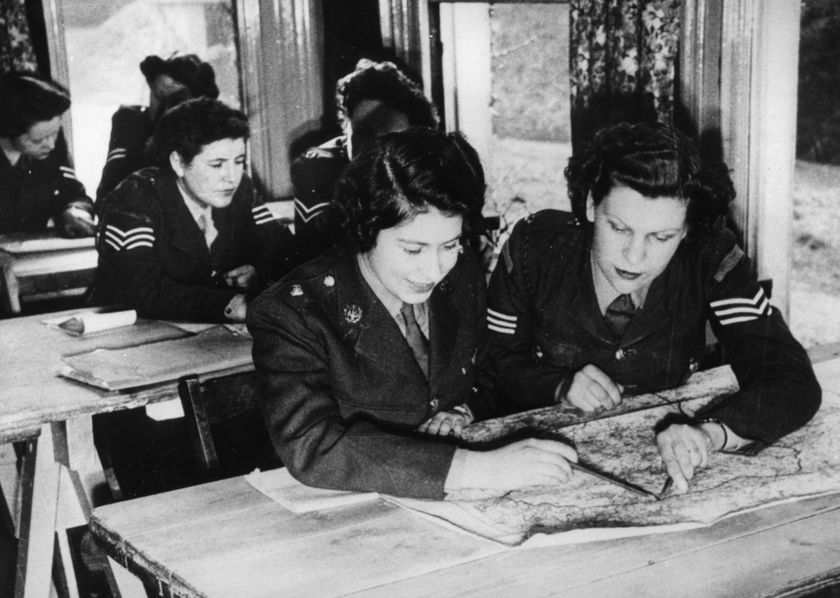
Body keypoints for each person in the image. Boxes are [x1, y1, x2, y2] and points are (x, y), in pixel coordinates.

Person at [486, 121, 821, 493]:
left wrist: (710, 434)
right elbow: (491, 365)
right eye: (619, 228)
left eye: (661, 237)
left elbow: (790, 378)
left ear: (686, 230)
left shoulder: (711, 256)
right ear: (592, 205)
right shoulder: (534, 248)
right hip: (541, 470)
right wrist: (557, 385)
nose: (634, 256)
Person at [248, 128, 578, 499]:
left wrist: (464, 411)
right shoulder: (295, 311)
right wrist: (473, 468)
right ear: (366, 230)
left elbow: (488, 372)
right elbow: (312, 446)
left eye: (449, 244)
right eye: (412, 249)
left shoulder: (461, 274)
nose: (434, 270)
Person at [93, 97, 295, 322]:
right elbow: (143, 292)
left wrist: (259, 272)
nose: (232, 177)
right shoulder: (134, 200)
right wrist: (232, 304)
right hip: (118, 332)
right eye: (217, 164)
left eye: (239, 161)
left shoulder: (241, 191)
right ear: (178, 163)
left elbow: (283, 251)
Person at [291, 59, 439, 264]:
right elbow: (322, 253)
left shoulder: (424, 163)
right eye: (363, 134)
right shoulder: (315, 167)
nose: (373, 149)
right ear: (346, 127)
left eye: (388, 138)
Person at [96, 54, 220, 204]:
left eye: (176, 101)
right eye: (157, 96)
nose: (164, 109)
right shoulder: (131, 125)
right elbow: (108, 196)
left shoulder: (216, 132)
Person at [0, 71, 95, 236]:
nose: (50, 145)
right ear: (8, 132)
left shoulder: (50, 146)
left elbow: (72, 192)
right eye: (38, 140)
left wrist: (75, 210)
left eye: (55, 133)